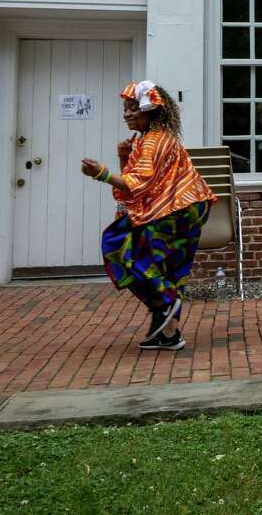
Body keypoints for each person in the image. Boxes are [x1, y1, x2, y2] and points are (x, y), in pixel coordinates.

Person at [80, 81, 216, 351]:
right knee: (169, 270)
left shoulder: (154, 141)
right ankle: (169, 335)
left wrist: (101, 173)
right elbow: (134, 182)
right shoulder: (150, 139)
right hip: (188, 207)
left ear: (150, 109)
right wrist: (123, 157)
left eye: (133, 108)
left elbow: (138, 184)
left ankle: (163, 301)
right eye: (125, 109)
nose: (127, 114)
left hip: (176, 210)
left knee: (120, 246)